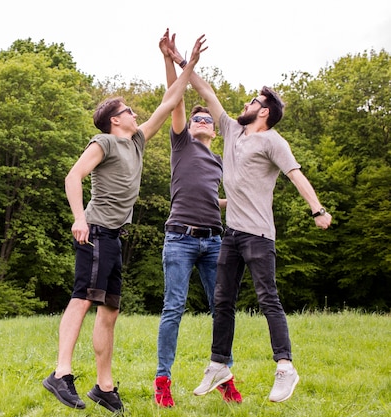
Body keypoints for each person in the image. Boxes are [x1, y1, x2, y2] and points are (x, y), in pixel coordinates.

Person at [42, 33, 207, 413]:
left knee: (110, 311)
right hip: (95, 232)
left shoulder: (136, 142)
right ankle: (61, 373)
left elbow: (170, 101)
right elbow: (72, 178)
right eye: (129, 110)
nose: (136, 114)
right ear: (115, 120)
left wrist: (181, 61)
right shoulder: (104, 142)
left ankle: (104, 386)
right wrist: (79, 218)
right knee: (82, 298)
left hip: (114, 238)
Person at [188, 64, 332, 403]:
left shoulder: (273, 141)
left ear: (263, 111)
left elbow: (296, 175)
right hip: (233, 234)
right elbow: (206, 92)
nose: (245, 104)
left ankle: (285, 367)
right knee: (222, 300)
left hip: (259, 236)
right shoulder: (232, 131)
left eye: (252, 100)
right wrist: (183, 61)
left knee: (268, 298)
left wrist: (318, 209)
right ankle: (218, 364)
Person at [152, 30, 242, 408]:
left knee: (221, 308)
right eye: (198, 117)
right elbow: (176, 100)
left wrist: (232, 203)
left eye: (207, 118)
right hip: (180, 239)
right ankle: (163, 382)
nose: (203, 118)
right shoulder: (182, 144)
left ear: (213, 132)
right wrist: (172, 60)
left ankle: (223, 373)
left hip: (214, 241)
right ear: (189, 127)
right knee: (174, 307)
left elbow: (211, 197)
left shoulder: (219, 161)